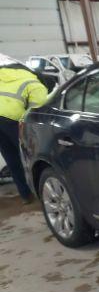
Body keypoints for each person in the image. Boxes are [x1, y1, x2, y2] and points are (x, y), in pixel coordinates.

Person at [0, 54, 48, 203]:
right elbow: (35, 112)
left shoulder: (5, 75)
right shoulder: (35, 84)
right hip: (13, 121)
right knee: (29, 157)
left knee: (11, 158)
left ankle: (25, 195)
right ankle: (40, 193)